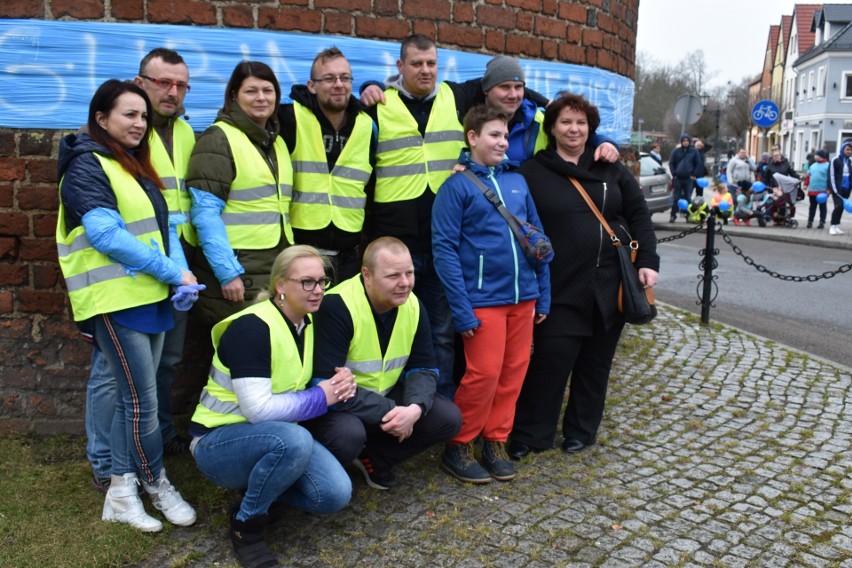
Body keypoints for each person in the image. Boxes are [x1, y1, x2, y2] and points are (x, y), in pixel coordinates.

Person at [57, 79, 197, 532]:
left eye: (143, 116)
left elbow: (164, 227)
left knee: (131, 402)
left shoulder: (133, 165)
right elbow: (105, 235)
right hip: (117, 301)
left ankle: (122, 489)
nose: (139, 123)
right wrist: (172, 272)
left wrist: (180, 273)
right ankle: (152, 481)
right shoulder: (86, 165)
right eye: (128, 115)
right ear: (102, 119)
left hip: (148, 297)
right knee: (142, 403)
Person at [506, 92, 659, 459]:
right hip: (560, 285)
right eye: (566, 122)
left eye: (581, 123)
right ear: (553, 128)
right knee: (550, 363)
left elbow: (639, 216)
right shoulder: (533, 171)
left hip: (610, 284)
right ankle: (532, 433)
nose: (573, 129)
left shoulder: (610, 168)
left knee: (595, 365)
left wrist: (648, 262)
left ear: (590, 129)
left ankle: (581, 431)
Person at [189, 246, 354, 568]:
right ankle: (246, 526)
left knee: (334, 495)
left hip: (271, 438)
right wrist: (322, 397)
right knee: (295, 440)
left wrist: (341, 381)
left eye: (322, 281)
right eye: (307, 282)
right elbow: (257, 411)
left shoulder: (304, 324)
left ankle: (260, 493)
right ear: (280, 285)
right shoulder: (252, 328)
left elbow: (296, 383)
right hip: (216, 443)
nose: (318, 290)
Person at [84, 48, 197, 494]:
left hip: (176, 268)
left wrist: (180, 270)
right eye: (163, 82)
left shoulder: (185, 132)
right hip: (128, 276)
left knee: (164, 363)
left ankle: (157, 438)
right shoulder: (109, 147)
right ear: (140, 81)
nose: (172, 92)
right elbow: (106, 229)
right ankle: (104, 461)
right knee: (113, 372)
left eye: (181, 85)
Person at [431, 105, 551, 484]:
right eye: (494, 135)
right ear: (472, 138)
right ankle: (459, 443)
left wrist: (543, 295)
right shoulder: (456, 187)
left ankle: (495, 440)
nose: (502, 142)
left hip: (524, 298)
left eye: (505, 135)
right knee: (482, 374)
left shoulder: (518, 182)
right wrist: (462, 310)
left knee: (513, 373)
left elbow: (538, 241)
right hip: (483, 301)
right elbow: (444, 251)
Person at [303, 237, 462, 490]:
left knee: (448, 418)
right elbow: (323, 385)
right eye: (393, 276)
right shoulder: (337, 306)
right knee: (348, 436)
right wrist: (391, 410)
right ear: (367, 275)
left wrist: (415, 409)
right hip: (340, 407)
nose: (405, 283)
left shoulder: (413, 305)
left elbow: (424, 368)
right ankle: (315, 476)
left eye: (409, 273)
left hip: (382, 399)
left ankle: (374, 458)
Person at [188, 61, 293, 327]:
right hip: (239, 270)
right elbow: (205, 214)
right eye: (251, 91)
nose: (261, 98)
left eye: (268, 91)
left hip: (271, 264)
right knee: (242, 349)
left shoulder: (276, 143)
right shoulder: (218, 138)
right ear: (234, 96)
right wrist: (227, 273)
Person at [278, 47, 376, 284]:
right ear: (312, 85)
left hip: (348, 254)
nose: (339, 84)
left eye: (345, 78)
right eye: (329, 78)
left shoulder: (367, 124)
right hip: (302, 251)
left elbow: (372, 185)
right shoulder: (290, 118)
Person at [668, 135, 703, 222]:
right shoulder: (676, 151)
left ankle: (688, 215)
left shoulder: (694, 151)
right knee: (676, 198)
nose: (685, 142)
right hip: (678, 178)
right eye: (684, 140)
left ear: (689, 142)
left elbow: (698, 163)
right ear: (681, 141)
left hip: (688, 178)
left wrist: (694, 174)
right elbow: (671, 163)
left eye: (687, 140)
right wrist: (674, 173)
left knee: (688, 197)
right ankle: (673, 215)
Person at [829, 140, 852, 235]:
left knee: (842, 207)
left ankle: (837, 225)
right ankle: (832, 226)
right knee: (838, 206)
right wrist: (834, 189)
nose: (849, 151)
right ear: (842, 149)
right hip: (837, 189)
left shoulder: (850, 161)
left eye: (851, 150)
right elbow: (831, 175)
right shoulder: (835, 160)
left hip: (846, 188)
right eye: (847, 149)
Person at [806, 148, 830, 229]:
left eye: (817, 155)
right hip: (812, 190)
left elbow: (830, 178)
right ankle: (810, 221)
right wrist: (806, 184)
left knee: (822, 207)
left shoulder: (827, 166)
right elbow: (808, 176)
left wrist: (829, 189)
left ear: (822, 156)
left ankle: (822, 222)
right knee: (812, 207)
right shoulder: (813, 166)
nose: (815, 156)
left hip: (822, 191)